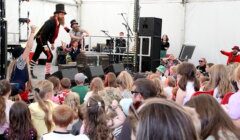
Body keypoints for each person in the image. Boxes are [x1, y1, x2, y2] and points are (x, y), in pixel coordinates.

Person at [30, 4, 67, 79]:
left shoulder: (57, 23)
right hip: (41, 39)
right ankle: (47, 75)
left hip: (43, 40)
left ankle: (29, 71)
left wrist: (52, 43)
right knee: (50, 55)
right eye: (61, 14)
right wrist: (45, 45)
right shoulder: (50, 22)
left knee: (36, 55)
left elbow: (53, 34)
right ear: (56, 14)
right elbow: (43, 34)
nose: (63, 16)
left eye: (63, 14)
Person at [6, 26, 36, 100]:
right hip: (17, 93)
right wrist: (32, 32)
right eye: (25, 54)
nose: (27, 56)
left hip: (15, 92)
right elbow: (28, 47)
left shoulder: (14, 64)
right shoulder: (20, 63)